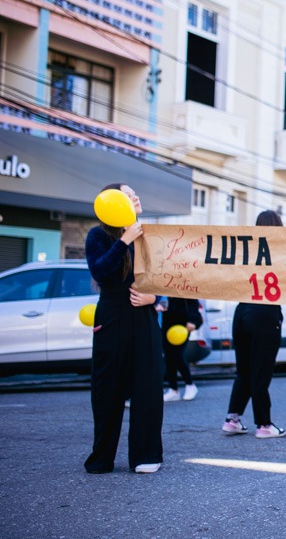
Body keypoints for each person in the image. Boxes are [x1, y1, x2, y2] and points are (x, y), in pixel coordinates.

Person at [84, 183, 163, 474]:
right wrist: (125, 239)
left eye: (135, 193)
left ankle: (146, 456)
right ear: (114, 202)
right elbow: (100, 271)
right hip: (112, 314)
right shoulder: (99, 235)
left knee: (148, 385)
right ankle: (101, 457)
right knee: (107, 389)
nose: (136, 197)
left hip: (144, 315)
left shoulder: (150, 234)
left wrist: (155, 297)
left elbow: (169, 277)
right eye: (129, 195)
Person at [223, 210, 286, 439]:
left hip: (242, 312)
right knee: (261, 372)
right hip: (266, 314)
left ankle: (232, 419)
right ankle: (264, 425)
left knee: (244, 371)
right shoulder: (283, 251)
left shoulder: (245, 250)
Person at [160, 298, 202, 402]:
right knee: (168, 356)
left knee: (177, 355)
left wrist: (192, 320)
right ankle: (173, 390)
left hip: (182, 322)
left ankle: (190, 384)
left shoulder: (185, 281)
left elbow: (193, 300)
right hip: (166, 321)